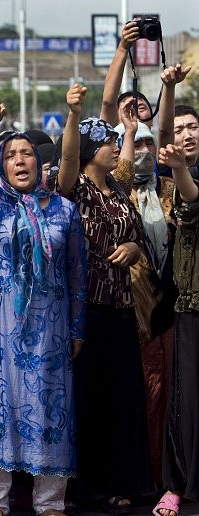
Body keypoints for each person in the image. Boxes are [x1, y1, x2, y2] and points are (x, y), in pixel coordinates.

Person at [0, 99, 86, 516]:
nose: (20, 160)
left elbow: (79, 273)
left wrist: (78, 328)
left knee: (50, 403)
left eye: (27, 152)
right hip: (0, 324)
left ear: (40, 163)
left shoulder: (65, 210)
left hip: (51, 326)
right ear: (1, 165)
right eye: (10, 155)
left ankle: (50, 501)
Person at [49, 89, 152, 511]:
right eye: (108, 143)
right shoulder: (74, 190)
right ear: (93, 150)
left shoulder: (118, 188)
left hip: (121, 307)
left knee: (120, 397)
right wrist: (73, 115)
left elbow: (138, 234)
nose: (115, 149)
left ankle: (119, 482)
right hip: (83, 309)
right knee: (84, 397)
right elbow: (69, 159)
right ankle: (79, 487)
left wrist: (133, 247)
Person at [153, 103, 199, 516]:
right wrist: (167, 88)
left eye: (194, 127)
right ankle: (179, 485)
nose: (187, 133)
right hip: (190, 305)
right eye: (181, 128)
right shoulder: (176, 178)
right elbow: (191, 198)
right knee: (186, 400)